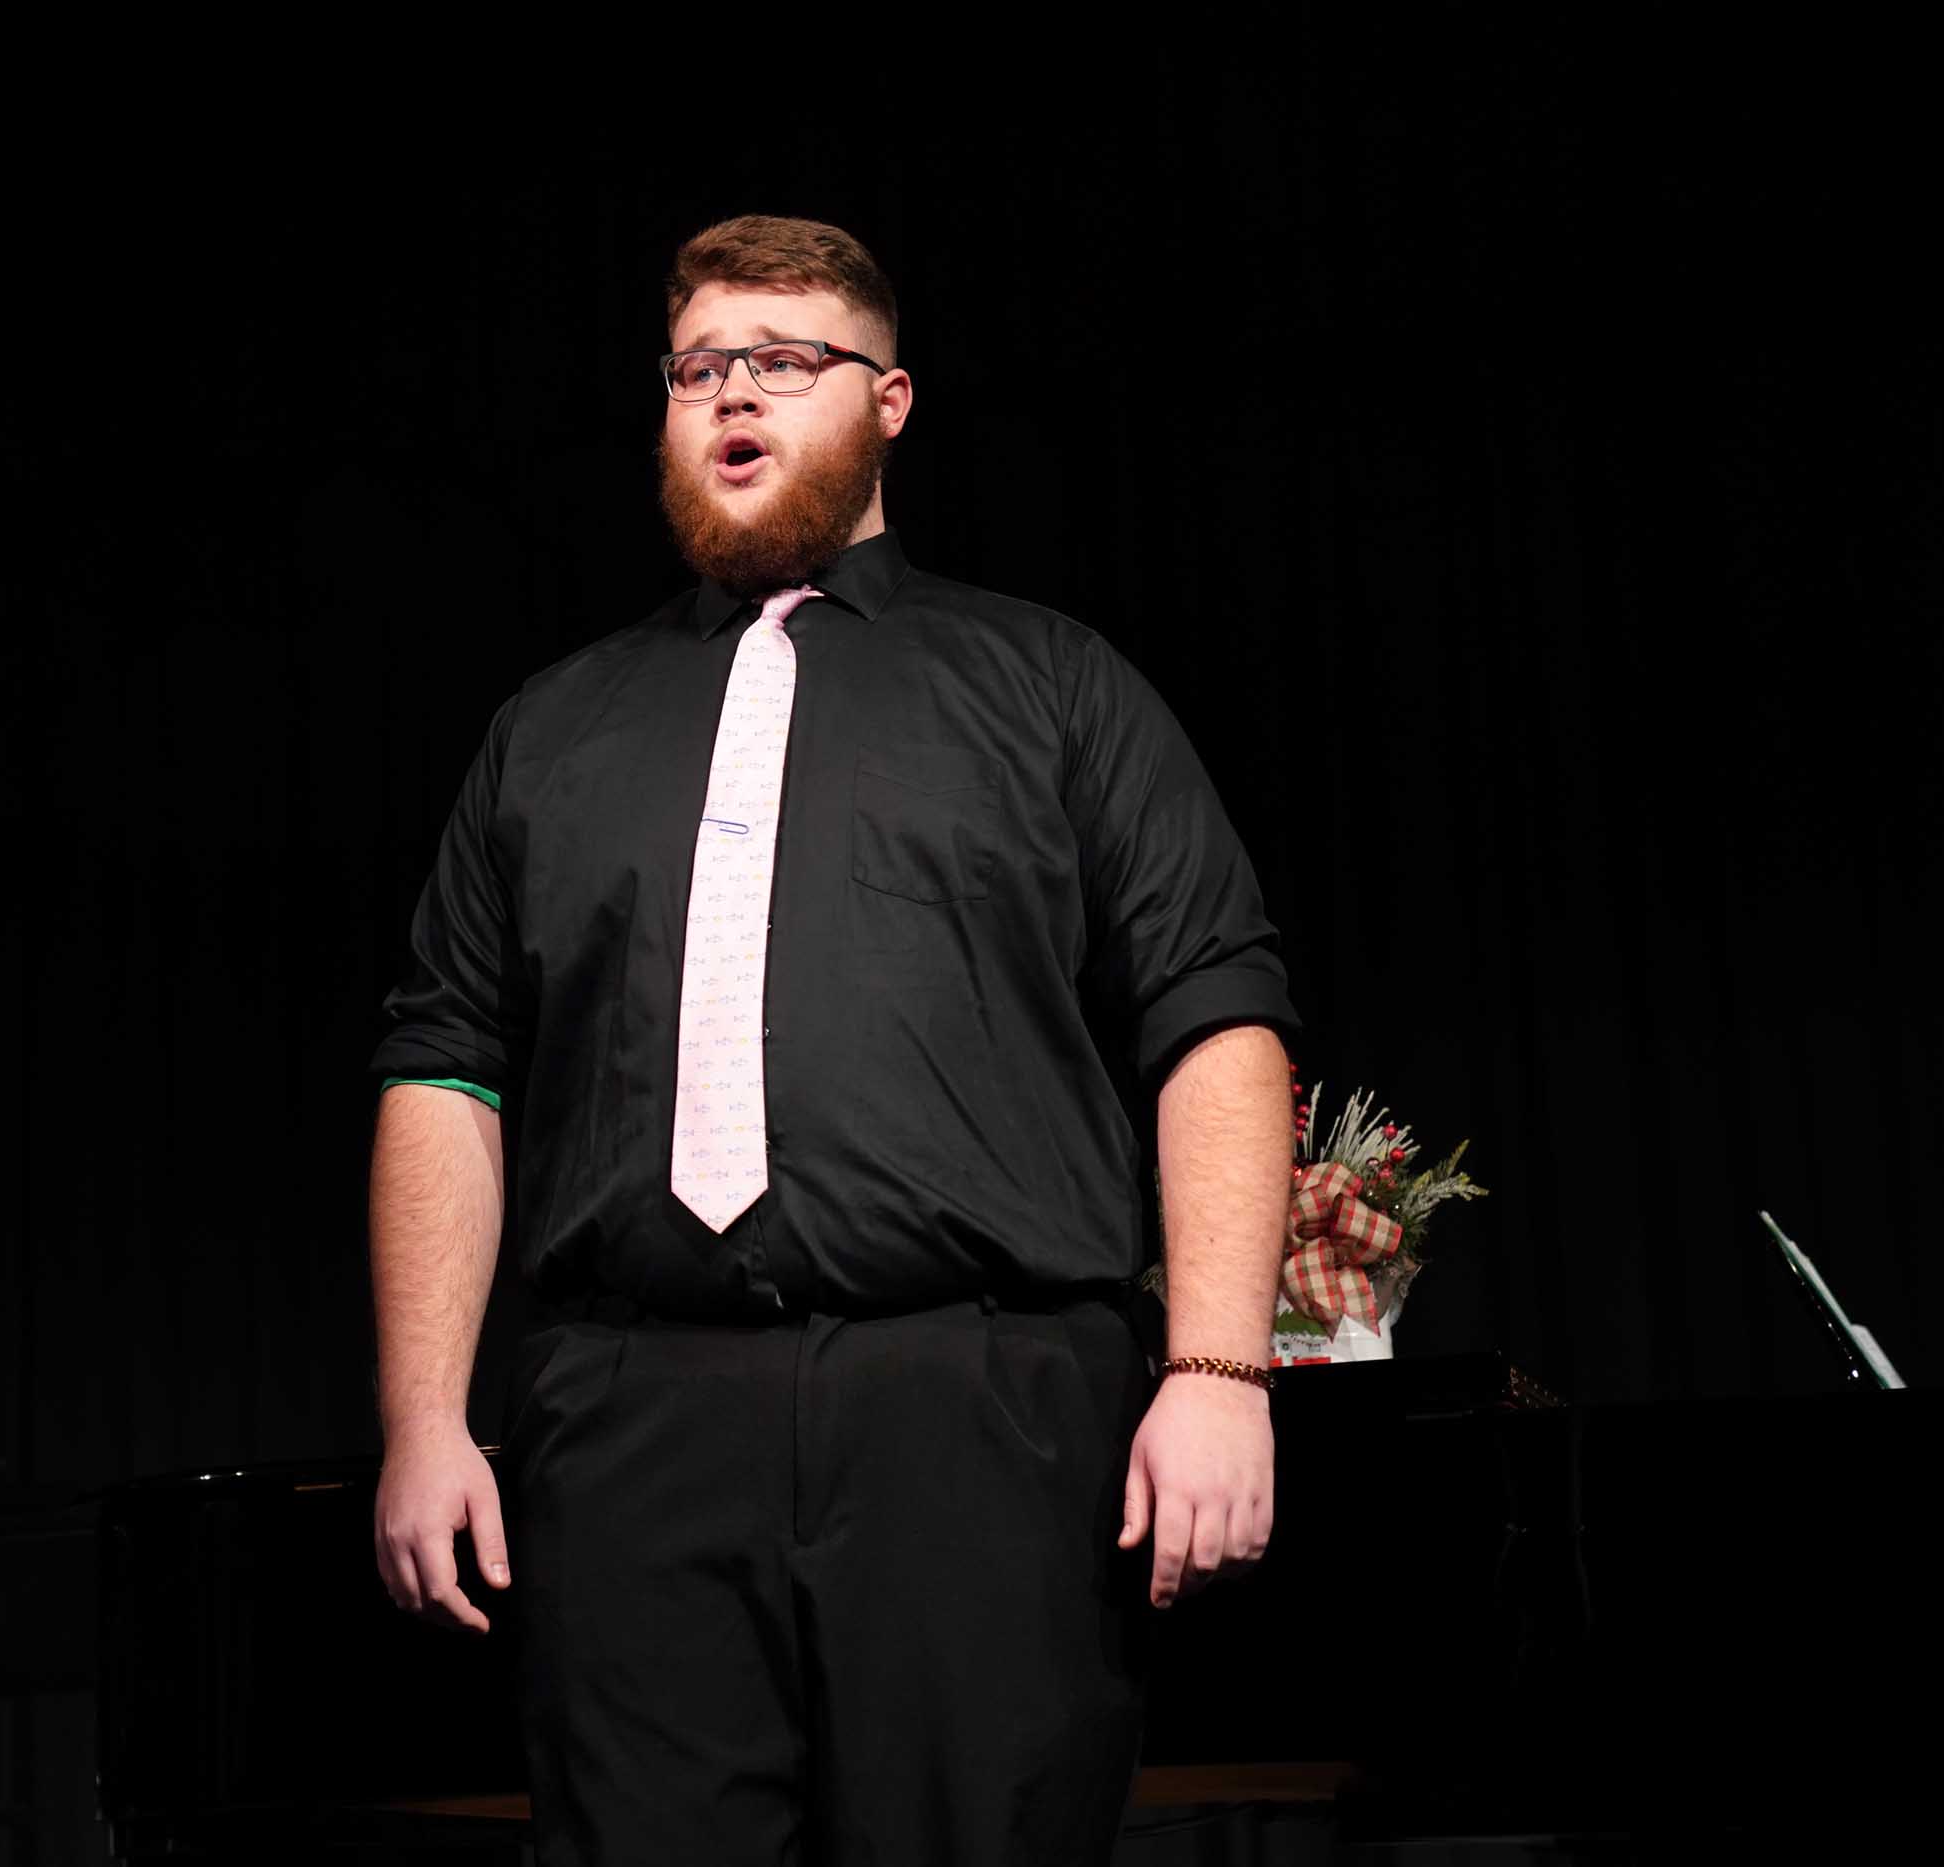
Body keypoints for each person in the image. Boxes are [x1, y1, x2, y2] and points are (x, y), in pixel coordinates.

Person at [366, 214, 1298, 1867]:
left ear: (890, 401)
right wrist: (429, 1420)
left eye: (785, 362)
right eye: (698, 368)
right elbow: (447, 1070)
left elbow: (1214, 1013)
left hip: (977, 1412)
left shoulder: (1050, 683)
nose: (735, 397)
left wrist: (1220, 1369)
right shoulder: (549, 730)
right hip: (630, 1425)